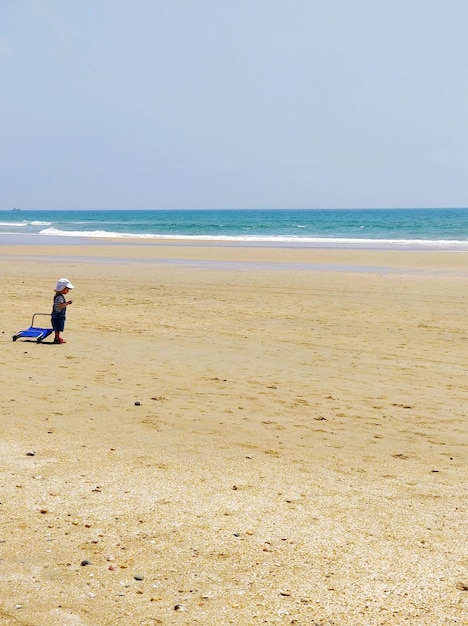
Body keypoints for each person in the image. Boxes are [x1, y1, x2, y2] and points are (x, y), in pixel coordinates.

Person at [52, 278, 74, 344]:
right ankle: (57, 338)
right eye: (67, 289)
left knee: (57, 327)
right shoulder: (60, 297)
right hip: (58, 314)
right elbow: (61, 305)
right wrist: (67, 303)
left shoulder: (57, 295)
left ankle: (57, 337)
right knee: (58, 327)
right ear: (63, 288)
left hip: (55, 313)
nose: (68, 291)